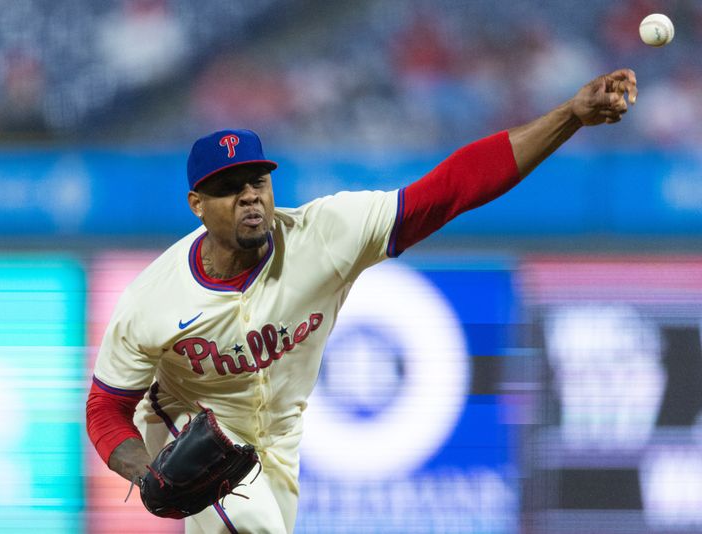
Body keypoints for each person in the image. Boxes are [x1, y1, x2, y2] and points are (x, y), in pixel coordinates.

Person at [86, 69, 638, 533]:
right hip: (186, 423)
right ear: (197, 204)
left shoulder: (324, 234)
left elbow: (449, 190)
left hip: (278, 435)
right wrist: (146, 470)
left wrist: (569, 115)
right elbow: (104, 408)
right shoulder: (153, 300)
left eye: (258, 180)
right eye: (230, 187)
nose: (250, 196)